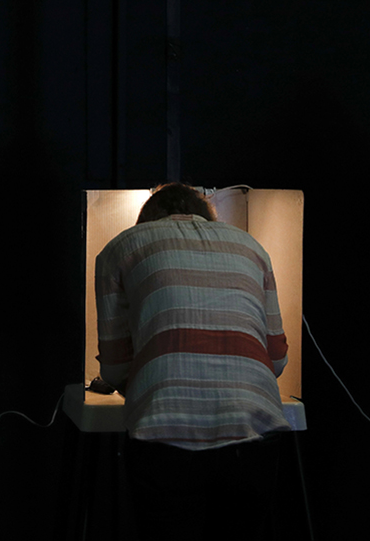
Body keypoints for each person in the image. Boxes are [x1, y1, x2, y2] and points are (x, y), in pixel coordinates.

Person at [95, 183, 290, 540]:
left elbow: (113, 367)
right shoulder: (252, 247)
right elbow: (276, 359)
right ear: (206, 215)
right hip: (253, 434)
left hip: (165, 438)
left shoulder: (120, 248)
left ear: (147, 219)